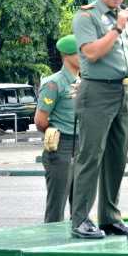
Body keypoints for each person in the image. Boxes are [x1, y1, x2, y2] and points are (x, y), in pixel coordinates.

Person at [70, 0, 128, 239]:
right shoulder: (86, 16)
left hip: (123, 91)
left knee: (116, 158)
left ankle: (110, 216)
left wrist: (122, 25)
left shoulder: (124, 18)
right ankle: (81, 219)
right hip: (97, 91)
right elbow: (92, 53)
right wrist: (117, 27)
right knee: (90, 157)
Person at [35, 35, 80, 223]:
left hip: (80, 144)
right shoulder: (54, 83)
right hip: (61, 146)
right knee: (57, 204)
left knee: (80, 202)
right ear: (68, 55)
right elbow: (40, 120)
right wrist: (55, 133)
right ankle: (51, 243)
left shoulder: (82, 81)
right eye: (81, 52)